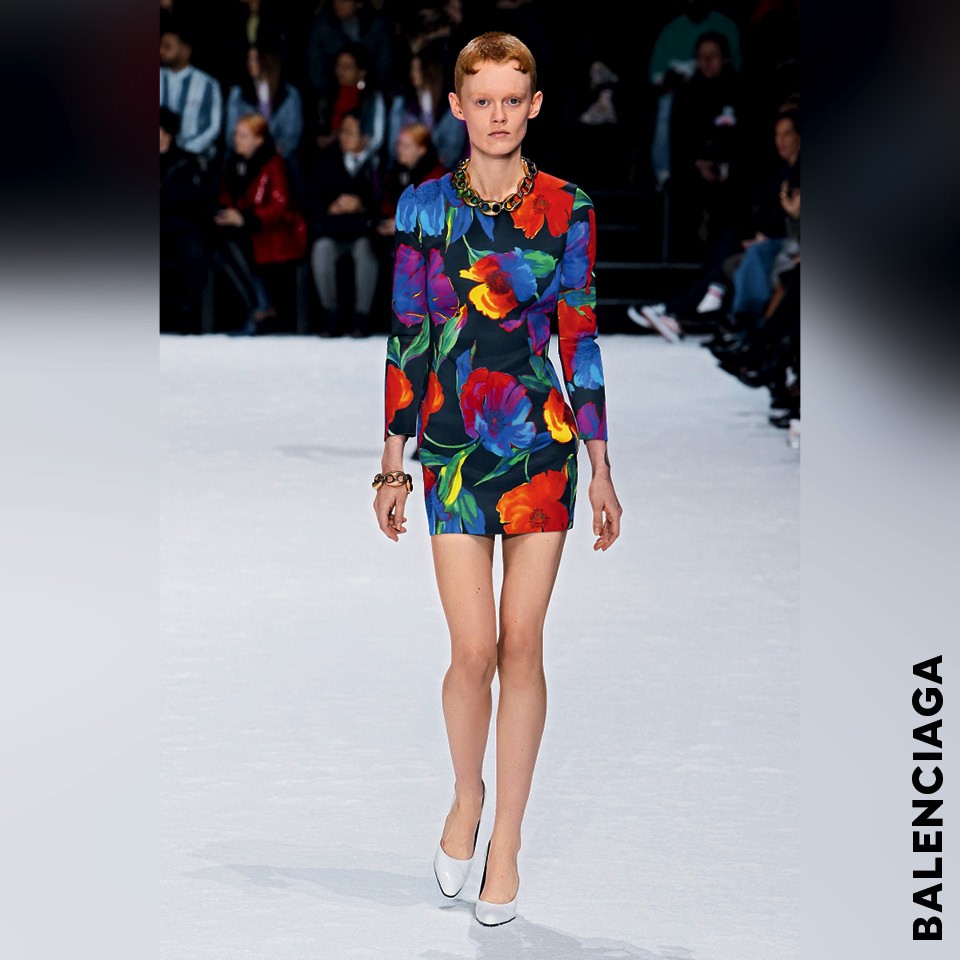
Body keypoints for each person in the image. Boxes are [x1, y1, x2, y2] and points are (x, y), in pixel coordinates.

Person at [373, 31, 623, 927]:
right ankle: (466, 796)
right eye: (482, 100)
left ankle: (506, 841)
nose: (498, 114)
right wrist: (391, 463)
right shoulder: (423, 207)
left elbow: (579, 337)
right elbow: (408, 333)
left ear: (535, 105)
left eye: (513, 99)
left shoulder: (568, 208)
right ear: (457, 106)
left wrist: (600, 466)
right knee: (472, 651)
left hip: (540, 448)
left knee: (522, 645)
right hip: (449, 448)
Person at [212, 113, 307, 334]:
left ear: (259, 140)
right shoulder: (233, 164)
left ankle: (260, 307)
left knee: (232, 245)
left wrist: (245, 218)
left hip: (274, 230)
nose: (236, 139)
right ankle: (259, 305)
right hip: (246, 229)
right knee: (220, 243)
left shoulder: (273, 164)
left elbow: (279, 206)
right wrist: (229, 214)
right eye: (236, 134)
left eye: (243, 135)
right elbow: (227, 196)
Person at [304, 109, 380, 338]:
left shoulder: (376, 165)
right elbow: (312, 201)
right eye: (342, 131)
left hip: (363, 232)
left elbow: (384, 204)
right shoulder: (326, 161)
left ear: (365, 137)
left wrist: (361, 206)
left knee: (366, 251)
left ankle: (362, 317)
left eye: (349, 132)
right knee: (322, 249)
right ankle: (331, 315)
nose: (343, 137)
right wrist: (332, 206)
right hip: (333, 230)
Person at [160, 107, 210, 335]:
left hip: (180, 230)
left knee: (193, 252)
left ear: (167, 133)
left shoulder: (186, 163)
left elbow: (191, 200)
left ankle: (186, 313)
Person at [386, 46, 468, 171]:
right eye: (412, 68)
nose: (412, 73)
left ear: (430, 71)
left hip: (441, 171)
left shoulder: (449, 106)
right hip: (407, 168)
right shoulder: (403, 102)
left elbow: (452, 149)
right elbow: (394, 144)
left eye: (417, 69)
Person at [160, 20, 224, 165]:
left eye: (167, 47)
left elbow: (214, 127)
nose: (161, 51)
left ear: (185, 51)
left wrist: (188, 150)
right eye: (161, 46)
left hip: (194, 157)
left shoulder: (207, 84)